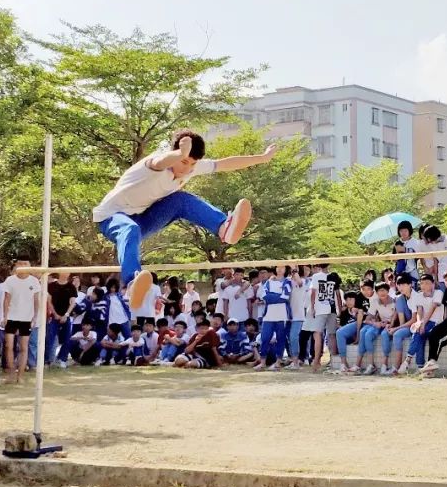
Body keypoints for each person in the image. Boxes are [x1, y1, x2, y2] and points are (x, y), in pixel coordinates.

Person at [93, 129, 276, 309]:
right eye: (184, 162)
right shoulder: (154, 164)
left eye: (192, 164)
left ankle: (223, 228)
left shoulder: (191, 167)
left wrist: (262, 157)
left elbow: (225, 164)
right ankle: (133, 284)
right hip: (112, 217)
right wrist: (180, 153)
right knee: (130, 230)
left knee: (181, 200)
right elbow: (160, 161)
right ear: (174, 154)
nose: (186, 169)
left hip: (143, 218)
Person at [0, 258, 42, 383]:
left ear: (29, 265)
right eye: (20, 263)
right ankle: (11, 373)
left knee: (24, 346)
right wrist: (5, 317)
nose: (22, 266)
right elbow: (6, 299)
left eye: (25, 264)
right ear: (16, 265)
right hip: (12, 317)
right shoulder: (10, 280)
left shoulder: (34, 281)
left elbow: (36, 300)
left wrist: (35, 317)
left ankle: (21, 375)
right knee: (9, 346)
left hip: (26, 318)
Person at [306, 258, 341, 373]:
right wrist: (339, 310)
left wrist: (312, 307)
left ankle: (317, 361)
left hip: (321, 309)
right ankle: (332, 359)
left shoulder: (316, 276)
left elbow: (313, 293)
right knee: (331, 335)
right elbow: (338, 295)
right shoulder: (333, 276)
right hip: (331, 309)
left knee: (318, 335)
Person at [404, 274, 443, 373]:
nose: (424, 286)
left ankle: (407, 360)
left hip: (435, 322)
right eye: (422, 283)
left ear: (433, 284)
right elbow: (419, 310)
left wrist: (423, 324)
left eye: (427, 283)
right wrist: (418, 323)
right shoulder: (419, 295)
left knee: (419, 333)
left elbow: (432, 309)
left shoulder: (438, 293)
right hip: (424, 322)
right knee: (419, 335)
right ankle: (420, 366)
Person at [256, 266, 291, 371]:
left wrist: (272, 297)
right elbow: (265, 296)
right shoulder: (268, 282)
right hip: (268, 315)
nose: (280, 269)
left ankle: (278, 362)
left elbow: (285, 297)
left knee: (280, 338)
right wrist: (277, 296)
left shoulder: (287, 282)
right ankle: (262, 362)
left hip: (282, 315)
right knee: (265, 338)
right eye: (278, 267)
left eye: (282, 267)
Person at [358, 282, 397, 375]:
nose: (381, 293)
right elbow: (367, 318)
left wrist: (389, 323)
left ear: (388, 291)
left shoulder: (395, 301)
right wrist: (375, 323)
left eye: (384, 290)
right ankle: (371, 365)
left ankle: (384, 365)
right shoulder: (375, 302)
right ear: (377, 292)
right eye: (379, 291)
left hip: (392, 324)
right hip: (380, 323)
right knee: (367, 334)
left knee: (384, 334)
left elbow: (397, 317)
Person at [388, 275, 416, 375]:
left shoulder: (415, 297)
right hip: (405, 325)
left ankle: (397, 365)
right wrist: (392, 326)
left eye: (404, 284)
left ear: (410, 285)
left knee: (397, 334)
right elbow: (400, 317)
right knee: (393, 333)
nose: (401, 287)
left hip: (415, 325)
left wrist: (396, 329)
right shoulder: (401, 298)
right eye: (399, 285)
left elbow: (414, 320)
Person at [333, 290, 364, 374]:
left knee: (340, 332)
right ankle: (343, 363)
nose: (349, 302)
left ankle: (343, 363)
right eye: (347, 300)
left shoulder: (359, 311)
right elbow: (341, 325)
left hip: (358, 333)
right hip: (347, 336)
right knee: (338, 332)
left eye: (351, 299)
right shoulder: (344, 312)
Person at [286, 266, 307, 370]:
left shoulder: (302, 281)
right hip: (286, 315)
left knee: (294, 337)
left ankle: (296, 361)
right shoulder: (287, 281)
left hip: (298, 315)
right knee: (289, 339)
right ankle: (292, 360)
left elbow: (299, 282)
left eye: (296, 270)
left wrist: (294, 270)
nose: (294, 273)